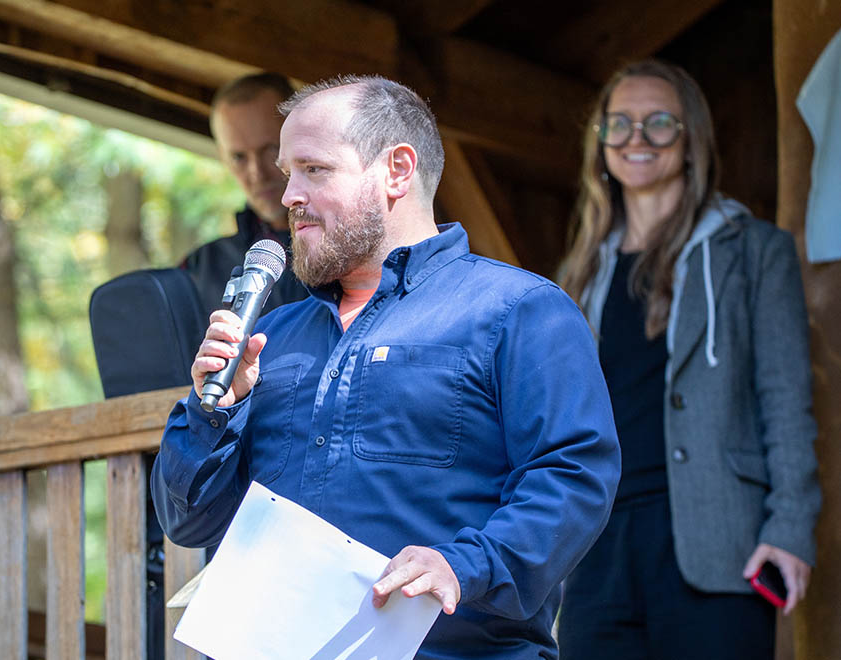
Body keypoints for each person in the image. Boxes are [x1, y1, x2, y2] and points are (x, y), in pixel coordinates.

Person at [152, 75, 621, 658]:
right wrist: (212, 413)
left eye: (314, 170)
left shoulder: (518, 310)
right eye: (287, 171)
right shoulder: (268, 339)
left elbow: (574, 473)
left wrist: (464, 564)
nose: (288, 193)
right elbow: (185, 524)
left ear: (397, 169)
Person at [556, 60, 820, 660]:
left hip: (716, 540)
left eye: (659, 123)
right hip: (598, 552)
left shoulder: (754, 249)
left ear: (691, 136)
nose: (637, 139)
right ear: (600, 144)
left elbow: (785, 400)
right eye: (618, 124)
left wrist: (790, 529)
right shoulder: (579, 270)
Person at [181, 72, 308, 313]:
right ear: (222, 157)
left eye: (271, 150)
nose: (257, 173)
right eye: (239, 157)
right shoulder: (198, 270)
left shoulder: (348, 251)